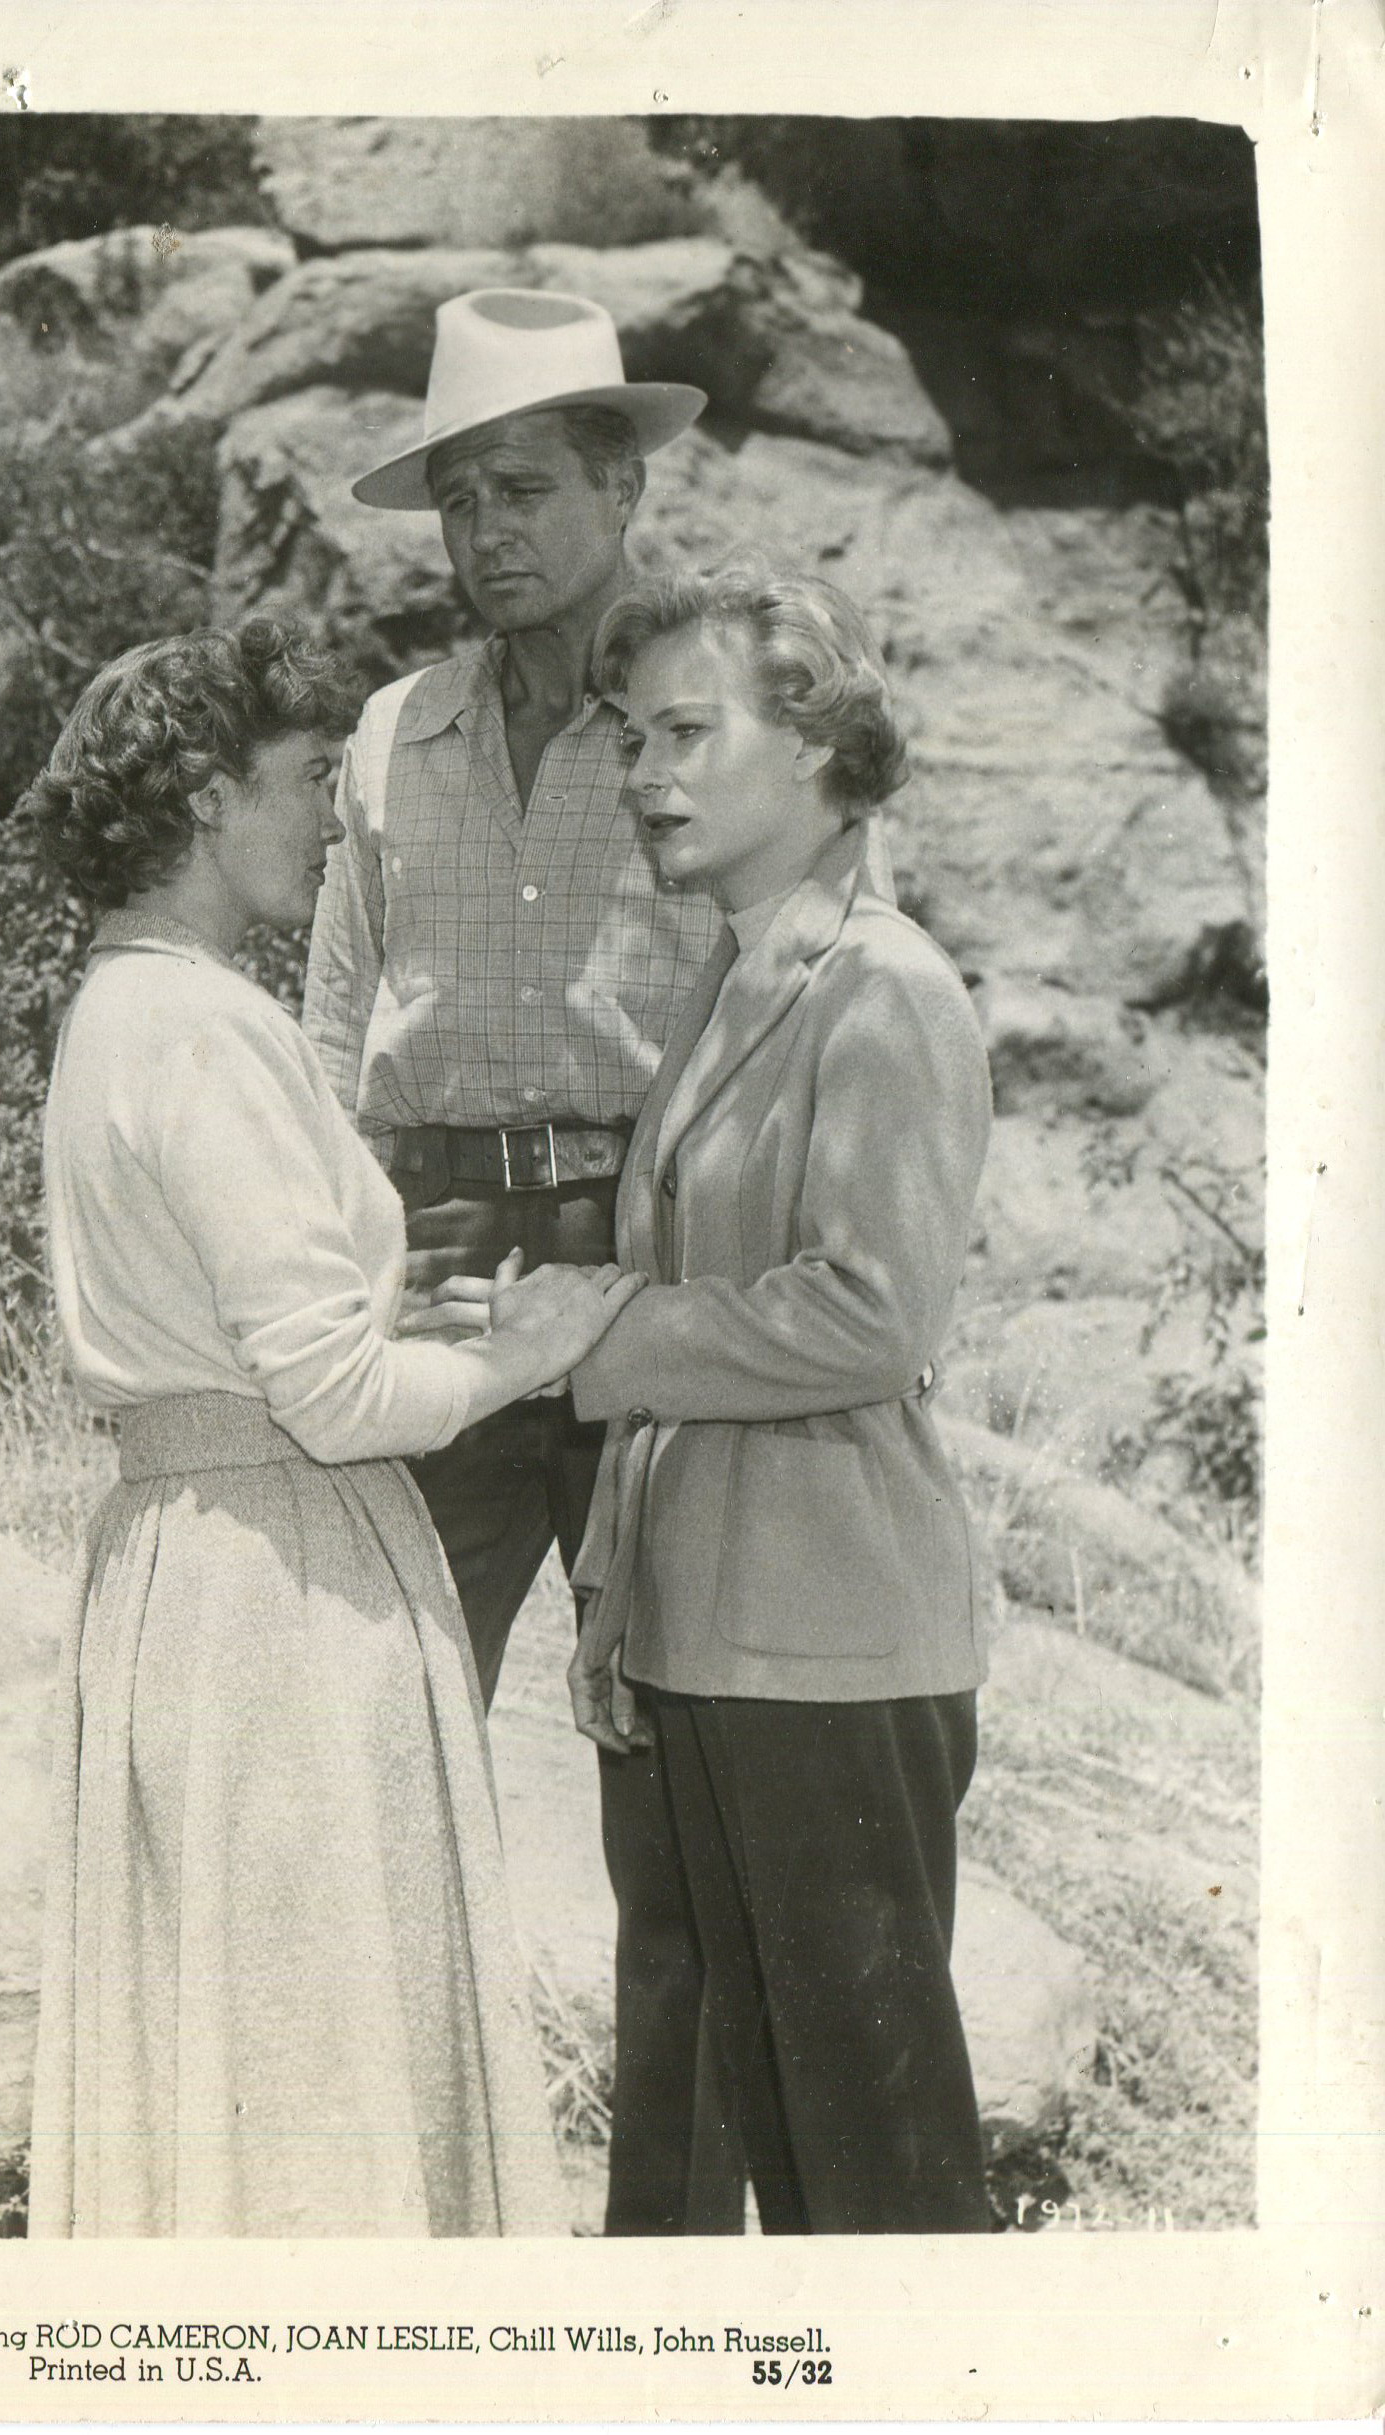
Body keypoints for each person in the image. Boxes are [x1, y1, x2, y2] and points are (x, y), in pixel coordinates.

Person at [24, 619, 641, 2238]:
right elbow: (328, 1391)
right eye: (304, 783)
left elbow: (297, 1314)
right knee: (318, 2067)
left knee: (241, 2050)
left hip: (195, 1562)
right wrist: (529, 1346)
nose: (326, 820)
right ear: (203, 794)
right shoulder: (207, 1030)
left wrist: (444, 1321)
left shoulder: (121, 1010)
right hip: (282, 1585)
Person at [563, 567, 996, 2235]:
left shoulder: (879, 984)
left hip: (828, 1645)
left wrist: (586, 1344)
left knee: (874, 2176)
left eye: (687, 730)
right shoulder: (737, 975)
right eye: (628, 740)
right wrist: (615, 1594)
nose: (645, 774)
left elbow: (867, 1318)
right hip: (704, 1635)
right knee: (759, 2118)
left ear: (814, 744)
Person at [303, 288, 726, 1704]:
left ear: (622, 486)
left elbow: (826, 1012)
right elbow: (332, 1025)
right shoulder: (392, 734)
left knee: (672, 1712)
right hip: (438, 1257)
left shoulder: (727, 732)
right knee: (395, 1697)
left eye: (527, 489)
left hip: (655, 1250)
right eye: (458, 499)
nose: (487, 532)